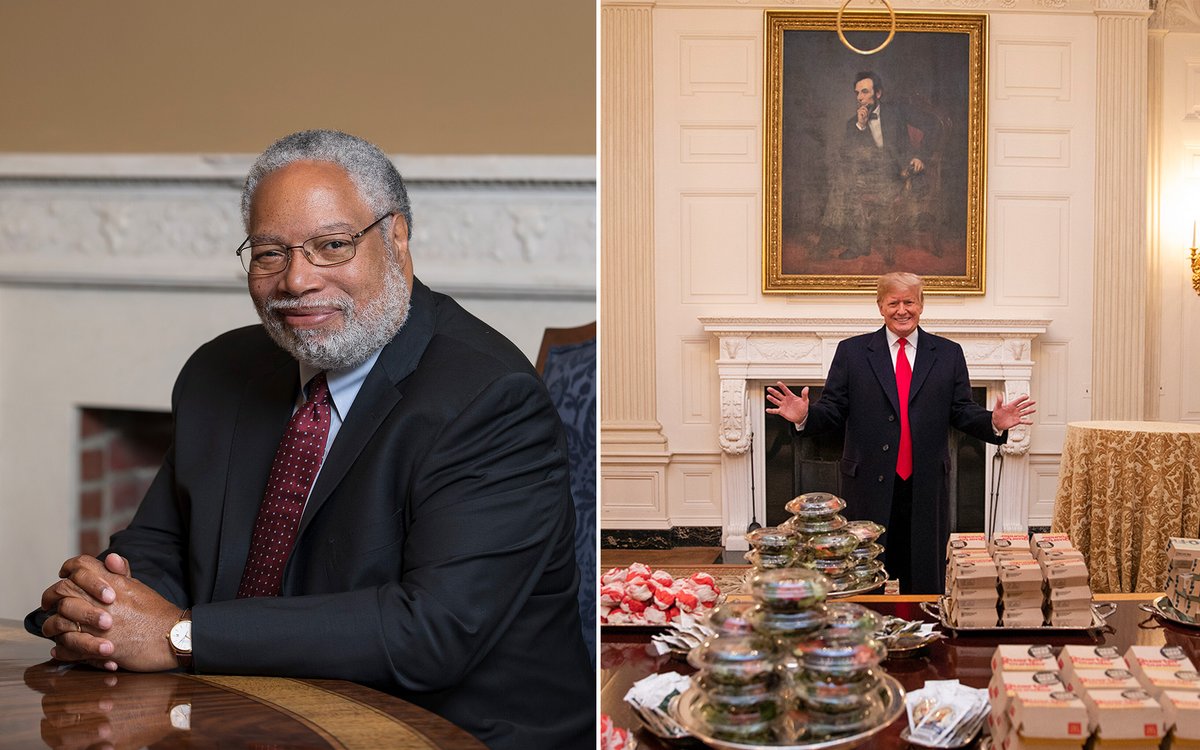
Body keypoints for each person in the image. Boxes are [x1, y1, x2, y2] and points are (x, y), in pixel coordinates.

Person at [26, 129, 594, 749]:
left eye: (331, 246)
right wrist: (106, 608)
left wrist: (180, 636)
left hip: (451, 731)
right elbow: (160, 547)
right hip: (256, 710)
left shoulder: (488, 398)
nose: (297, 280)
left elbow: (431, 632)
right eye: (270, 252)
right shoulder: (220, 372)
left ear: (396, 240)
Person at [766, 272, 1036, 594]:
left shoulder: (948, 354)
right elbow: (834, 410)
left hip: (926, 484)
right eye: (893, 302)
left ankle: (922, 634)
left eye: (909, 301)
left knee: (924, 578)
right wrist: (806, 415)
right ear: (880, 305)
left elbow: (961, 410)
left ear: (921, 305)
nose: (902, 310)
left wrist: (993, 420)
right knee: (865, 575)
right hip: (866, 483)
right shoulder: (852, 353)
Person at [818, 71, 935, 261]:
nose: (860, 97)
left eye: (864, 92)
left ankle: (833, 242)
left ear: (878, 93)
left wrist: (920, 156)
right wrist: (861, 127)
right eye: (857, 93)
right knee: (843, 182)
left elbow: (932, 124)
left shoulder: (897, 110)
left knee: (845, 182)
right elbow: (848, 157)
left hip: (900, 175)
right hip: (870, 177)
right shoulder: (853, 124)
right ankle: (854, 243)